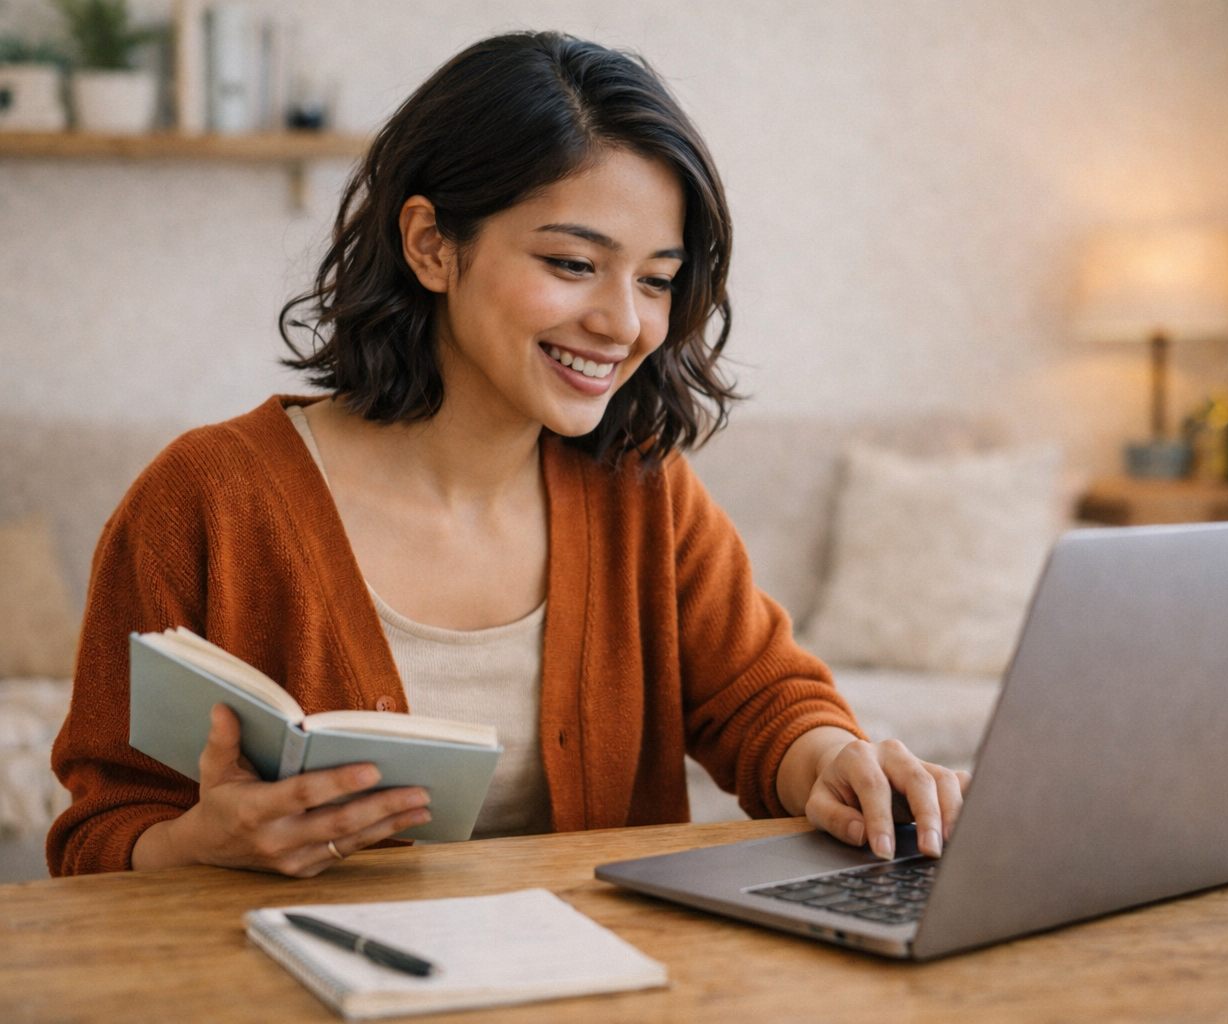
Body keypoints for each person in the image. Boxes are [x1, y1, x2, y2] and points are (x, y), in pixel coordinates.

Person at [48, 30, 968, 878]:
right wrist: (200, 847)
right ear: (430, 245)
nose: (623, 322)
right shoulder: (203, 500)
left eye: (656, 279)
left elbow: (762, 703)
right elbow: (95, 838)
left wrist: (835, 763)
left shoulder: (642, 491)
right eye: (573, 264)